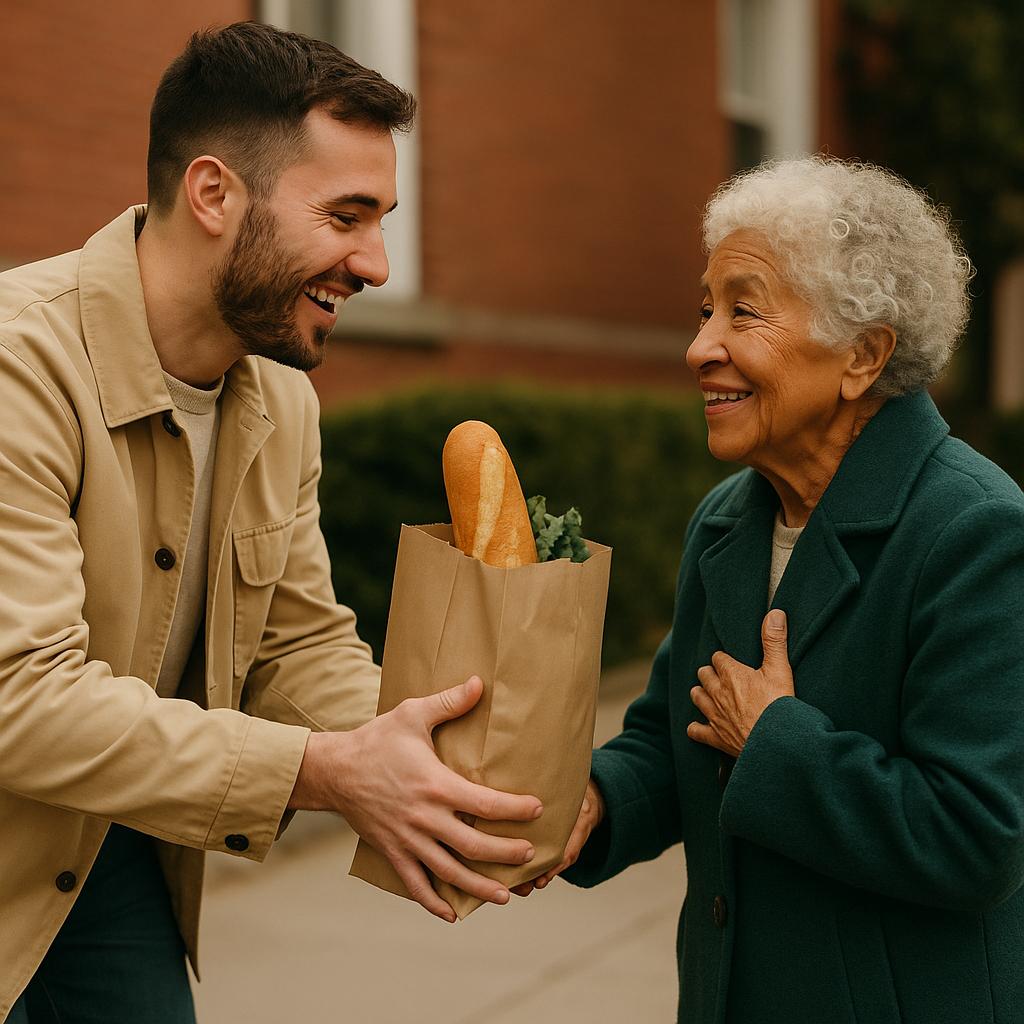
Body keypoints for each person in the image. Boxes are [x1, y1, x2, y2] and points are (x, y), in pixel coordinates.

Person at [0, 22, 541, 1023]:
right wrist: (327, 774)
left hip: (106, 846)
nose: (374, 263)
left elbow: (294, 642)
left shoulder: (279, 402)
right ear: (214, 194)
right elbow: (19, 700)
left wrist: (434, 758)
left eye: (381, 220)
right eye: (346, 215)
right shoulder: (18, 366)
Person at [518, 157, 1024, 1023]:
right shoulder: (729, 519)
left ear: (863, 355)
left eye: (743, 311)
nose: (699, 346)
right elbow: (672, 741)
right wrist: (593, 802)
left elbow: (978, 838)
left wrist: (777, 741)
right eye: (704, 309)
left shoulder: (977, 532)